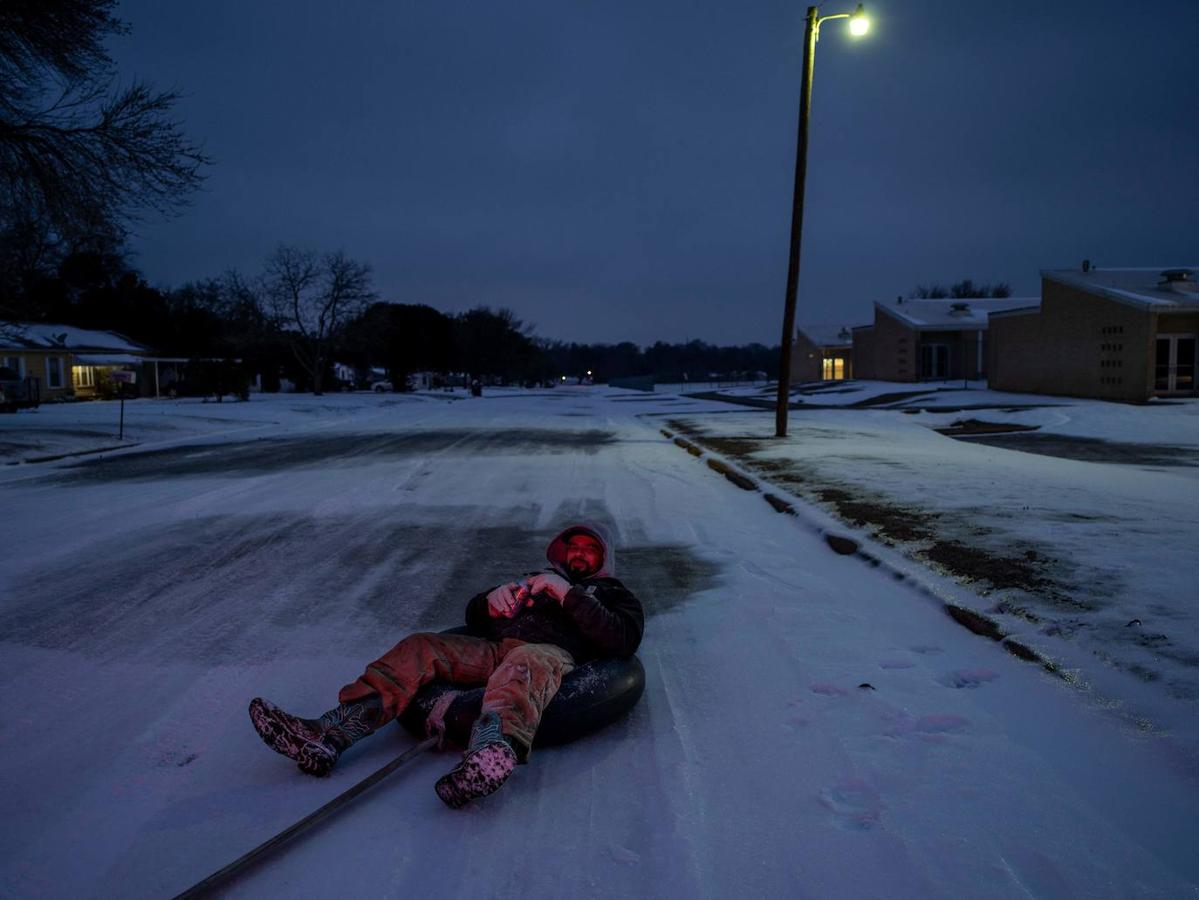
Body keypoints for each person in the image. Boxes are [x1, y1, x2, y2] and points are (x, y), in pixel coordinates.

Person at [248, 524, 644, 809]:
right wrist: (489, 601)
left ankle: (491, 751)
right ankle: (328, 732)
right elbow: (474, 618)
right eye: (572, 546)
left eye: (588, 548)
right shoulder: (533, 580)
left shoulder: (611, 593)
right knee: (421, 647)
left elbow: (622, 638)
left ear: (603, 558)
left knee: (526, 661)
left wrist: (569, 595)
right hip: (495, 649)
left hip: (552, 655)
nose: (578, 552)